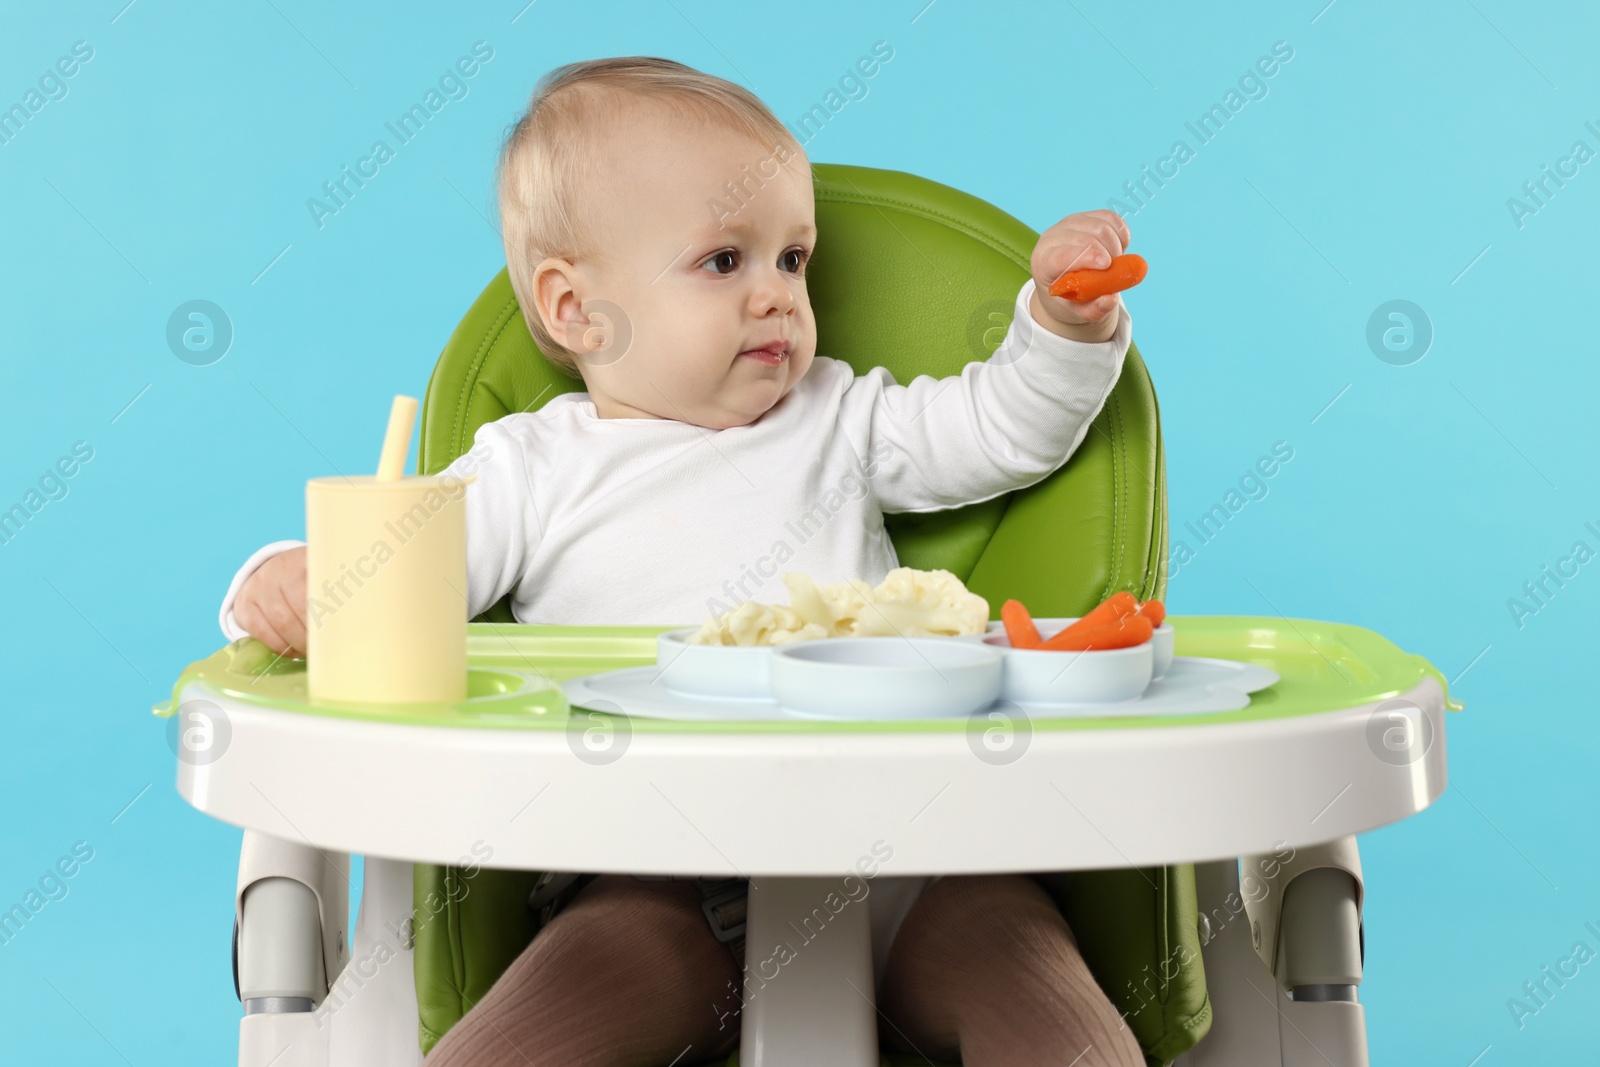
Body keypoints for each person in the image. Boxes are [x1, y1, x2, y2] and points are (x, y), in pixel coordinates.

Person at [219, 56, 1144, 1067]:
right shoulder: (532, 468)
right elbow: (393, 583)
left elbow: (996, 430)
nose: (777, 298)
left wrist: (1060, 328)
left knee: (1049, 1006)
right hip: (649, 880)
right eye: (723, 262)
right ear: (575, 310)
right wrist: (290, 581)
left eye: (793, 260)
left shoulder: (839, 416)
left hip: (914, 862)